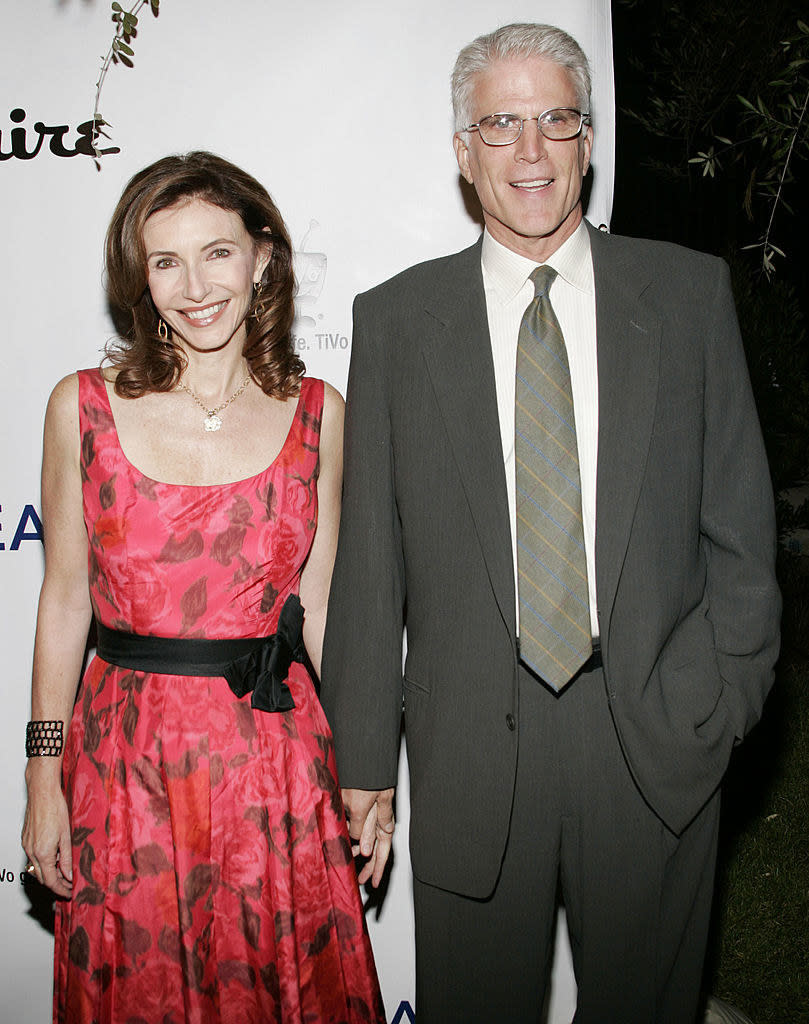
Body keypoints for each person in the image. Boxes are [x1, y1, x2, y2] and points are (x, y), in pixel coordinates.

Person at [321, 22, 781, 1024]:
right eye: (499, 124)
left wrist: (715, 706)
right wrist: (361, 763)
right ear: (461, 150)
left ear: (585, 140)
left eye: (554, 120)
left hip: (651, 736)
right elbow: (368, 566)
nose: (529, 153)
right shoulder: (396, 320)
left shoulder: (685, 294)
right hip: (469, 750)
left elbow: (739, 535)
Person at [21, 151, 385, 1024]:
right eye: (166, 261)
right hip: (124, 768)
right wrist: (41, 775)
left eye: (217, 253)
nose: (195, 287)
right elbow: (66, 599)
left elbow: (327, 608)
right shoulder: (82, 408)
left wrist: (370, 769)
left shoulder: (320, 415)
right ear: (139, 281)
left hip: (277, 769)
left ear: (263, 258)